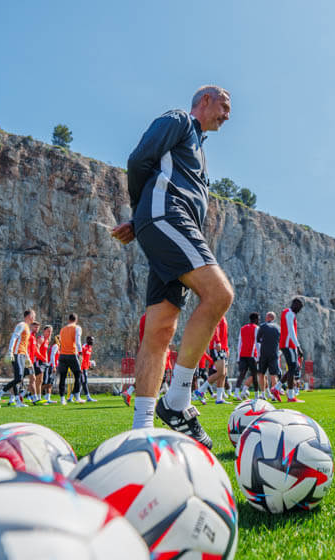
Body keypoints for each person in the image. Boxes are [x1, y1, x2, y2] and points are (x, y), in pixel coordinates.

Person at [109, 85, 233, 447]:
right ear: (205, 100)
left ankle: (142, 429)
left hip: (169, 223)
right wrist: (140, 215)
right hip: (167, 216)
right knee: (219, 294)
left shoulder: (199, 149)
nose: (228, 115)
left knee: (161, 329)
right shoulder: (179, 120)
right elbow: (138, 160)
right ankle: (177, 400)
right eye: (224, 106)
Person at [0, 309, 35, 408]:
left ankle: (18, 401)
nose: (34, 317)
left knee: (19, 379)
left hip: (22, 354)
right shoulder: (21, 325)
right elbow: (14, 337)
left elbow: (24, 345)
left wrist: (27, 358)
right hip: (17, 354)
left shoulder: (27, 328)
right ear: (29, 316)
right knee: (18, 378)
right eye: (33, 315)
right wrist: (10, 351)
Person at [279, 298, 305, 403]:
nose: (299, 310)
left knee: (293, 368)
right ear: (295, 304)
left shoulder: (286, 312)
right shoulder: (290, 314)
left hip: (287, 344)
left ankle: (277, 388)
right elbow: (291, 331)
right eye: (299, 307)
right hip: (288, 344)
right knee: (292, 368)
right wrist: (298, 347)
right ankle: (290, 396)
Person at [234, 312, 261, 400]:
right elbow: (257, 343)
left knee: (242, 374)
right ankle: (256, 395)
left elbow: (239, 343)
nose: (259, 320)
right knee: (254, 375)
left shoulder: (242, 328)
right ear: (255, 319)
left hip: (242, 354)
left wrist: (238, 357)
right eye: (258, 319)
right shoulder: (256, 328)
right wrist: (259, 357)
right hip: (252, 355)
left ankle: (236, 393)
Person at [57, 314, 84, 404]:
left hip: (62, 355)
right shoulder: (77, 328)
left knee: (62, 377)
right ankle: (77, 396)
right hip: (72, 354)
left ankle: (62, 399)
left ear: (68, 320)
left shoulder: (63, 329)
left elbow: (60, 341)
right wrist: (80, 352)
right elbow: (77, 341)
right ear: (76, 320)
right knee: (78, 375)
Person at [256, 312, 282, 402]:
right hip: (274, 353)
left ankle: (263, 394)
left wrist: (264, 341)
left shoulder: (263, 326)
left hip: (264, 353)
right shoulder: (278, 327)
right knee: (273, 375)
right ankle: (274, 395)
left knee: (261, 374)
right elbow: (280, 340)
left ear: (267, 317)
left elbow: (258, 339)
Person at [30, 325, 53, 405]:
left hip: (43, 362)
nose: (49, 333)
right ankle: (35, 398)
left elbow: (44, 351)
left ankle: (36, 397)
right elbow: (36, 349)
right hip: (38, 361)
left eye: (51, 331)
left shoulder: (47, 340)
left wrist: (46, 360)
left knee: (40, 381)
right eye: (48, 331)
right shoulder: (41, 338)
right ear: (44, 331)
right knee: (37, 380)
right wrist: (42, 358)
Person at [80, 335, 97, 402]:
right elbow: (80, 357)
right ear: (87, 340)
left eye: (93, 340)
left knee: (81, 382)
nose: (92, 341)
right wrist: (80, 368)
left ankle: (71, 397)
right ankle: (88, 397)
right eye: (91, 340)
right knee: (84, 382)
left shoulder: (90, 347)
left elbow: (87, 358)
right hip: (82, 368)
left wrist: (89, 365)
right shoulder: (84, 347)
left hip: (85, 367)